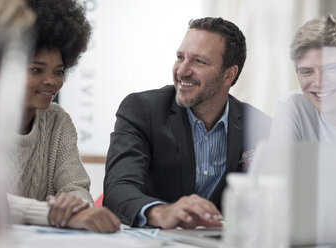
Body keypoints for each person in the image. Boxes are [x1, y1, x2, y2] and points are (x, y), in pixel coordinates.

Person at [103, 17, 271, 229]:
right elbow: (117, 188)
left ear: (229, 74)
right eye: (180, 57)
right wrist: (161, 212)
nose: (182, 71)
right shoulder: (142, 109)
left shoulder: (259, 126)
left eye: (199, 61)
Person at [6, 0, 120, 233]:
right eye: (36, 69)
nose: (52, 81)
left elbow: (76, 186)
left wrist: (75, 204)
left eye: (58, 71)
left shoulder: (58, 121)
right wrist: (51, 214)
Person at [269, 14, 336, 142]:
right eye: (307, 72)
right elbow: (279, 162)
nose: (319, 82)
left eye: (330, 68)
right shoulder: (294, 108)